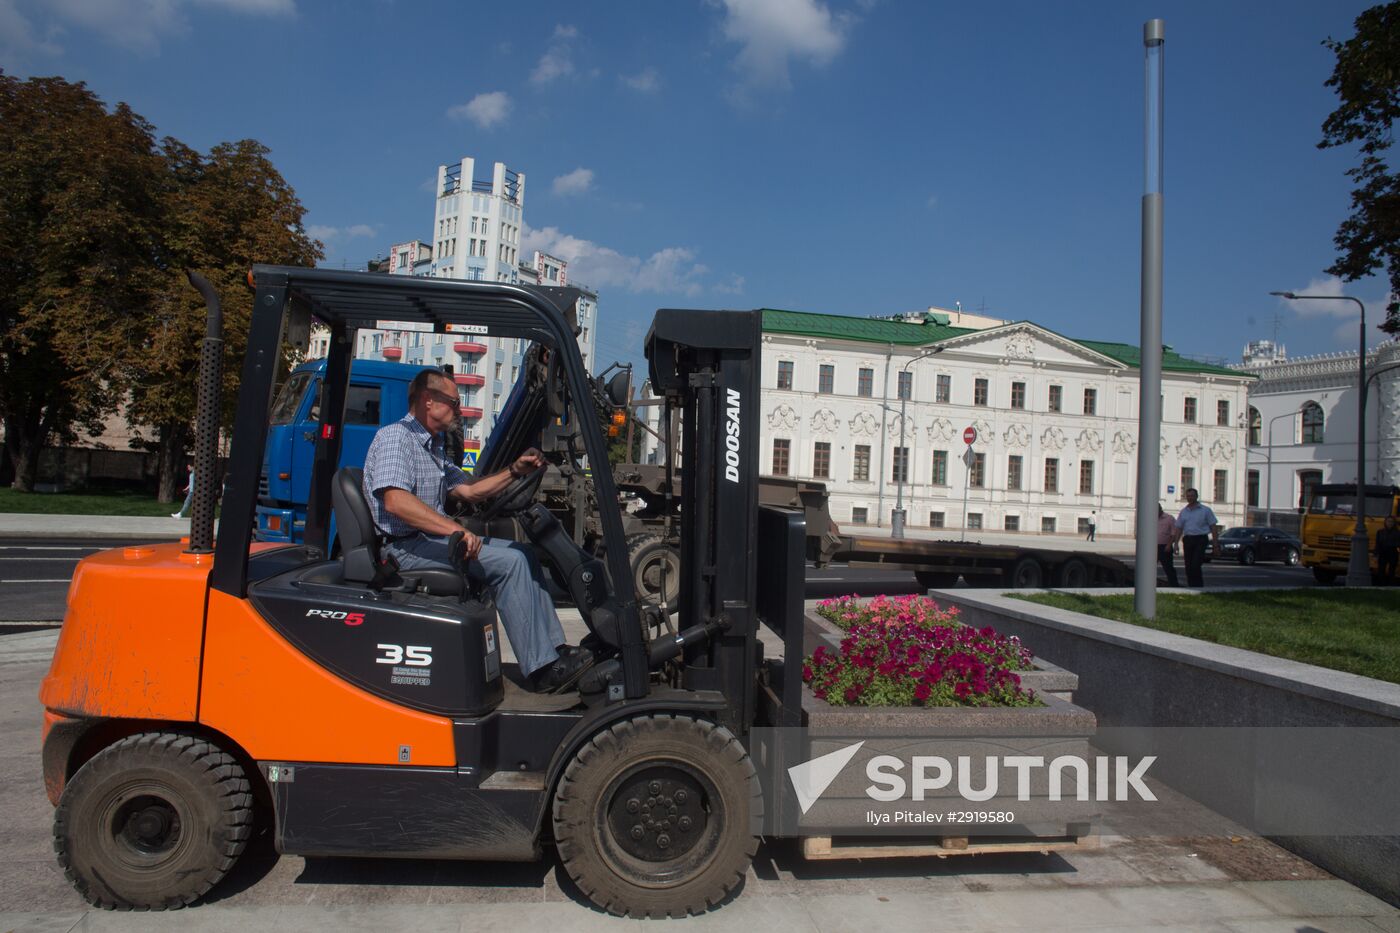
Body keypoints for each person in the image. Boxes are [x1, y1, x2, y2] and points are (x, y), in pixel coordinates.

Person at [362, 369, 591, 692]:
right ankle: (541, 670)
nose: (459, 410)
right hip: (404, 549)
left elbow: (470, 491)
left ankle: (554, 650)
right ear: (429, 401)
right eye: (455, 403)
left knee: (522, 552)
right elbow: (396, 501)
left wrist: (515, 470)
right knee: (509, 565)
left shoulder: (433, 447)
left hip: (428, 541)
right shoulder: (396, 438)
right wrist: (454, 529)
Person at [1173, 488, 1221, 588]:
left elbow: (1213, 527)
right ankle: (1191, 586)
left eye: (1192, 496)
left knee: (1196, 564)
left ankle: (1198, 586)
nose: (1190, 498)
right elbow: (1179, 528)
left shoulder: (1205, 510)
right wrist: (1176, 544)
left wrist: (1215, 544)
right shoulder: (1184, 511)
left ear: (1196, 496)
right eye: (1188, 496)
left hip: (1200, 539)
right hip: (1188, 539)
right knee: (1188, 565)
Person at [1156, 503, 1179, 587]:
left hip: (1165, 546)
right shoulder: (1150, 518)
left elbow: (1174, 533)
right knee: (1149, 568)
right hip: (1152, 547)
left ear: (1160, 509)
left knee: (1168, 568)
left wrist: (1169, 545)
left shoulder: (1169, 518)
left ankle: (1174, 585)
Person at [1376, 515, 1400, 586]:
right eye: (1388, 521)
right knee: (1381, 570)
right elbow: (1378, 543)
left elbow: (1398, 543)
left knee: (1391, 571)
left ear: (1394, 523)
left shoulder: (1398, 533)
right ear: (1385, 522)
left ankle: (1390, 585)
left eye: (1392, 522)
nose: (1390, 523)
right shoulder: (1380, 532)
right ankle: (1381, 585)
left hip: (1393, 552)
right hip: (1383, 552)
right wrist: (1376, 553)